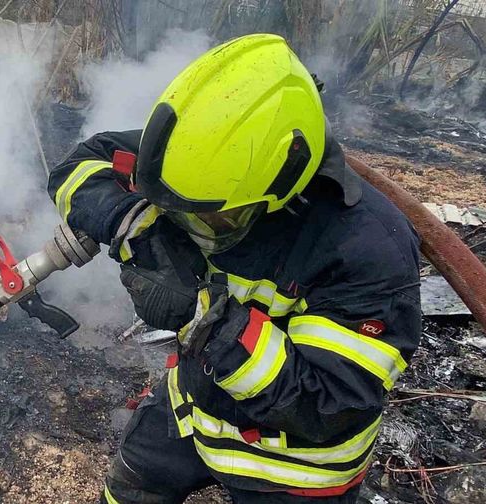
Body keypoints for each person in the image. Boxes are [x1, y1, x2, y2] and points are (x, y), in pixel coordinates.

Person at [47, 34, 421, 503]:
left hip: (294, 464)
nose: (192, 229)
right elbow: (79, 166)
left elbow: (326, 403)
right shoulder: (202, 158)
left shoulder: (367, 249)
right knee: (129, 490)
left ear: (283, 181)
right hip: (193, 408)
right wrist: (137, 228)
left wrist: (203, 320)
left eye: (212, 218)